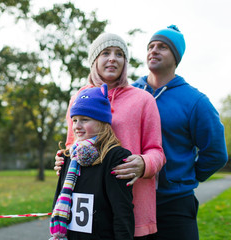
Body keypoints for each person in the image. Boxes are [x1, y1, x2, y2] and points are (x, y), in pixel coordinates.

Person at [54, 32, 166, 239]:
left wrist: (144, 163)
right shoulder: (78, 98)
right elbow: (73, 144)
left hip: (132, 205)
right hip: (87, 211)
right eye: (105, 53)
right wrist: (63, 158)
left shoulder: (143, 100)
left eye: (119, 54)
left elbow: (157, 152)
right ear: (94, 60)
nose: (113, 58)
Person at [130, 25, 228, 240]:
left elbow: (216, 153)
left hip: (174, 205)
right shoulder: (129, 93)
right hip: (130, 200)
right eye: (151, 46)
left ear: (176, 58)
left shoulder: (195, 102)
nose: (154, 51)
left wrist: (182, 177)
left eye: (162, 47)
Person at [49, 84, 134, 240]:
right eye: (74, 120)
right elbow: (58, 200)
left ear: (101, 122)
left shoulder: (115, 157)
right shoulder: (68, 156)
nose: (77, 126)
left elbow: (122, 212)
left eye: (84, 120)